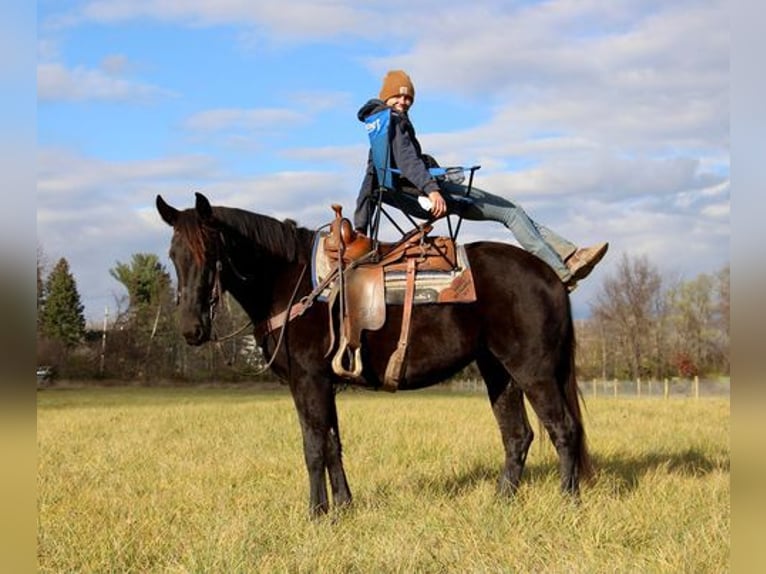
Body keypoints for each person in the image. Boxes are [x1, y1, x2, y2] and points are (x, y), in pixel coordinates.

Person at [353, 70, 608, 290]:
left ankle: (570, 254)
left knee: (514, 211)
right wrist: (432, 190)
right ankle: (560, 272)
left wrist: (360, 228)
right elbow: (409, 161)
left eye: (408, 96)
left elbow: (370, 182)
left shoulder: (378, 129)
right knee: (511, 212)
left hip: (414, 197)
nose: (404, 101)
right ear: (386, 96)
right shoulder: (395, 123)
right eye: (398, 95)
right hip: (429, 196)